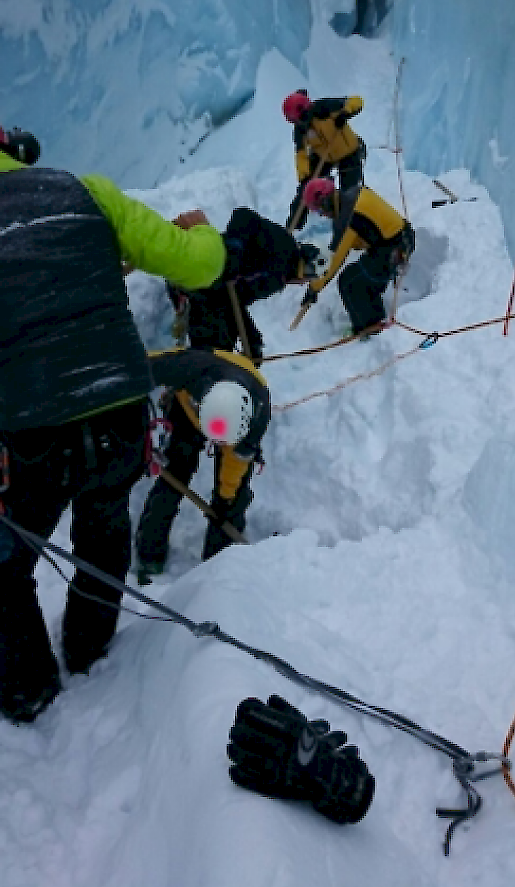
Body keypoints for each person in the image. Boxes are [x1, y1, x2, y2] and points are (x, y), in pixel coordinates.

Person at [0, 127, 227, 724]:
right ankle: (90, 652)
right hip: (120, 420)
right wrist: (199, 226)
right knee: (101, 530)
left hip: (30, 439)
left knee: (7, 566)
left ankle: (28, 692)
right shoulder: (87, 193)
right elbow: (201, 266)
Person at [135, 347, 271, 581]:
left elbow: (236, 464)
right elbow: (135, 367)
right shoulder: (187, 368)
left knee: (231, 498)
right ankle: (149, 552)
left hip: (235, 405)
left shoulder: (256, 417)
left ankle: (219, 566)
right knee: (176, 472)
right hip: (188, 408)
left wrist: (225, 499)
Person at [169, 206, 324, 361]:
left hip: (209, 292)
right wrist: (234, 248)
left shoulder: (278, 279)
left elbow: (235, 301)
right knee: (214, 343)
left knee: (222, 348)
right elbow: (243, 216)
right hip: (198, 267)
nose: (303, 281)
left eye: (310, 277)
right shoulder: (283, 246)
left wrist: (252, 341)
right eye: (309, 271)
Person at [299, 178, 415, 337]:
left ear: (325, 201)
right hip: (398, 240)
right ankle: (374, 320)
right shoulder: (352, 195)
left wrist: (315, 287)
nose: (323, 216)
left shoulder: (348, 216)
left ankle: (371, 329)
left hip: (395, 249)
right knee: (361, 276)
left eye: (320, 211)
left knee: (350, 283)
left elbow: (335, 258)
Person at [283, 91, 366, 231]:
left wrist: (345, 112)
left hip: (349, 152)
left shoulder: (325, 107)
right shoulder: (301, 129)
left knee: (350, 193)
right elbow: (301, 154)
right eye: (296, 121)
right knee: (306, 189)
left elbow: (356, 100)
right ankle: (293, 227)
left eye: (301, 118)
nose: (301, 123)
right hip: (324, 157)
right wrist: (304, 176)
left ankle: (348, 226)